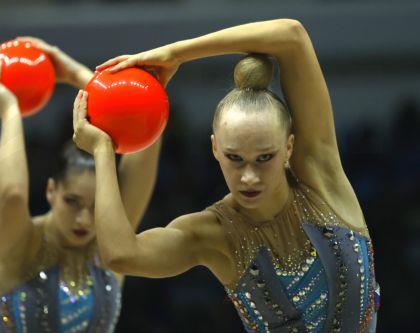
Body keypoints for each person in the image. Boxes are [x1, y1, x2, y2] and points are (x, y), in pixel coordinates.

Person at [73, 19, 380, 332]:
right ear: (215, 149)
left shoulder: (320, 178)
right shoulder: (214, 234)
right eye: (235, 159)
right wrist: (102, 151)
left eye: (264, 158)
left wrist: (176, 53)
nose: (248, 176)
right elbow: (121, 256)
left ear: (289, 147)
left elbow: (292, 36)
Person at [0, 37, 162, 333]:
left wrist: (77, 75)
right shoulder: (24, 244)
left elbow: (143, 125)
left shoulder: (111, 246)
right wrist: (10, 110)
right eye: (72, 201)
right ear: (51, 190)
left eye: (96, 207)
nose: (84, 219)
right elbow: (11, 195)